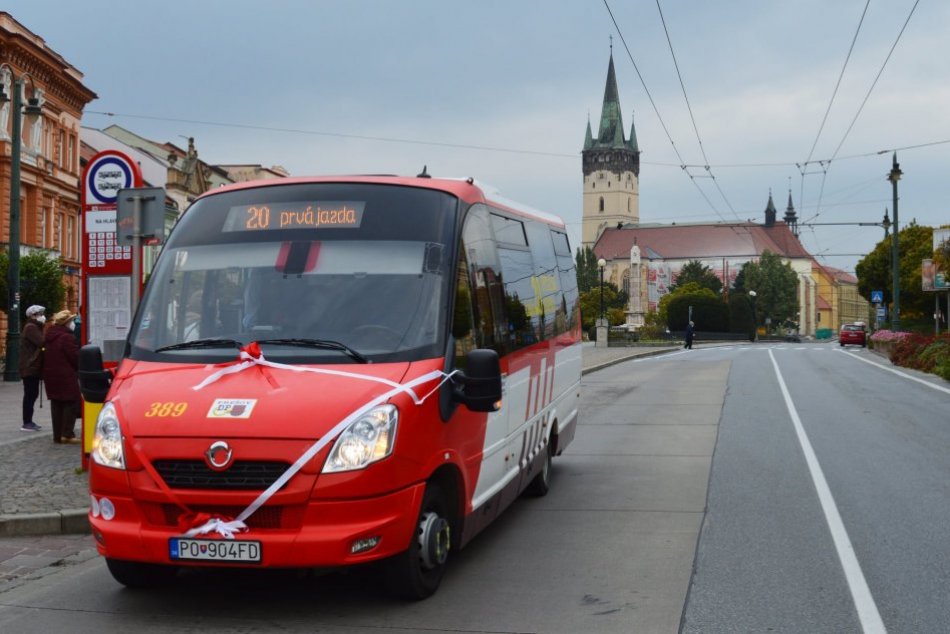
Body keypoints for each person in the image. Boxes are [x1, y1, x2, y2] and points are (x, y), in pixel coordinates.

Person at [42, 310, 81, 444]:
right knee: (71, 402)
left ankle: (57, 435)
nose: (73, 324)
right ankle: (67, 434)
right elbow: (74, 357)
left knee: (56, 404)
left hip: (51, 374)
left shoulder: (50, 335)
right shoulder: (66, 337)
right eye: (71, 321)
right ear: (66, 323)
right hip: (66, 374)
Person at [18, 305, 45, 432]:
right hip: (30, 366)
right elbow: (42, 342)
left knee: (32, 394)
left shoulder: (34, 327)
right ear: (32, 315)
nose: (42, 316)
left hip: (31, 366)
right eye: (39, 314)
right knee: (30, 395)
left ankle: (28, 421)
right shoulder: (31, 328)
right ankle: (27, 422)